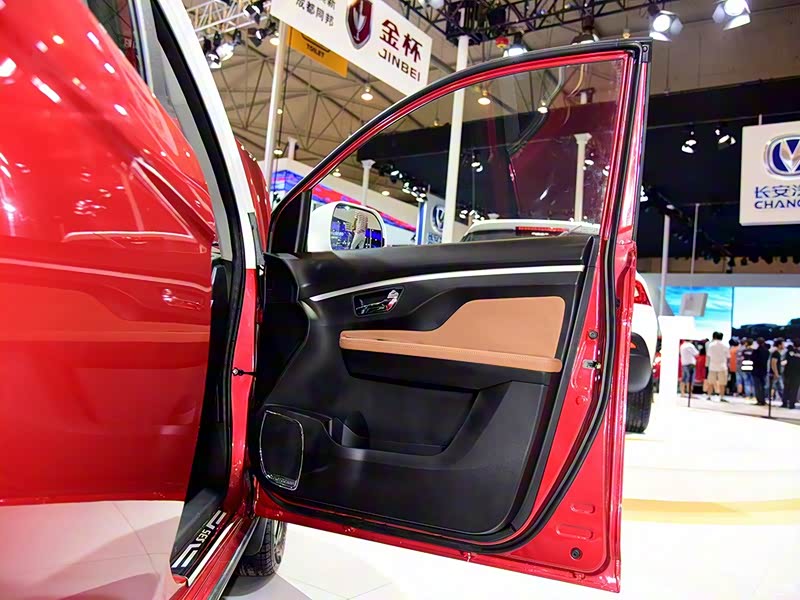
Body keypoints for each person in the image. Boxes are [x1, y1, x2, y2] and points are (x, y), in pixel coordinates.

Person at [706, 332, 729, 402]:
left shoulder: (711, 345)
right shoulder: (725, 345)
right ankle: (721, 397)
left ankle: (709, 396)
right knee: (722, 383)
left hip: (712, 365)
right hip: (722, 366)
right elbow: (728, 356)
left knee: (710, 382)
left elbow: (709, 355)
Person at [752, 337, 770, 406]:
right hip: (763, 370)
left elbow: (753, 359)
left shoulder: (755, 351)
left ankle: (759, 400)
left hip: (756, 370)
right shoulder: (767, 351)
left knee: (757, 386)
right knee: (763, 386)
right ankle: (763, 400)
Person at [784, 342, 800, 410]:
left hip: (788, 373)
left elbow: (786, 361)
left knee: (786, 388)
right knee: (794, 390)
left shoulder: (789, 352)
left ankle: (784, 403)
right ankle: (791, 404)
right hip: (797, 374)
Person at [770, 338, 786, 407]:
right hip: (776, 373)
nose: (784, 346)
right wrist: (776, 373)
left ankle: (783, 401)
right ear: (779, 345)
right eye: (783, 344)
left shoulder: (777, 353)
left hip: (777, 373)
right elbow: (773, 363)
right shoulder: (776, 353)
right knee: (778, 387)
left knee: (777, 387)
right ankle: (784, 401)